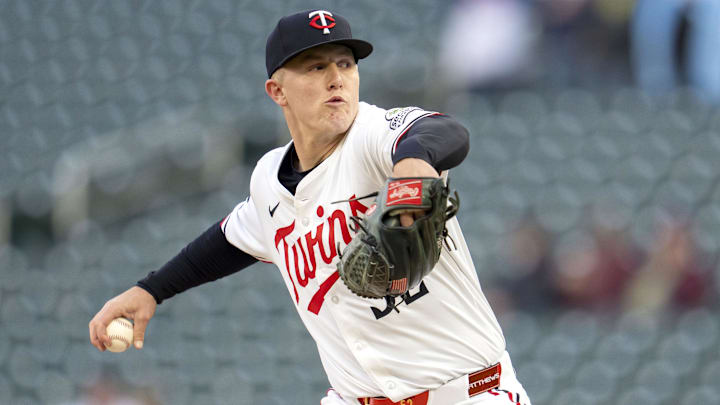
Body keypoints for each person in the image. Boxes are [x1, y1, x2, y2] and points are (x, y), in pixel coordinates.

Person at [89, 10, 531, 405]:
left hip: (468, 393)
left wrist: (413, 164)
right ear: (277, 90)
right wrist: (151, 290)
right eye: (316, 67)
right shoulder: (268, 179)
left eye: (345, 63)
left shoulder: (375, 135)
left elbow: (442, 130)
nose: (336, 78)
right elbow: (228, 240)